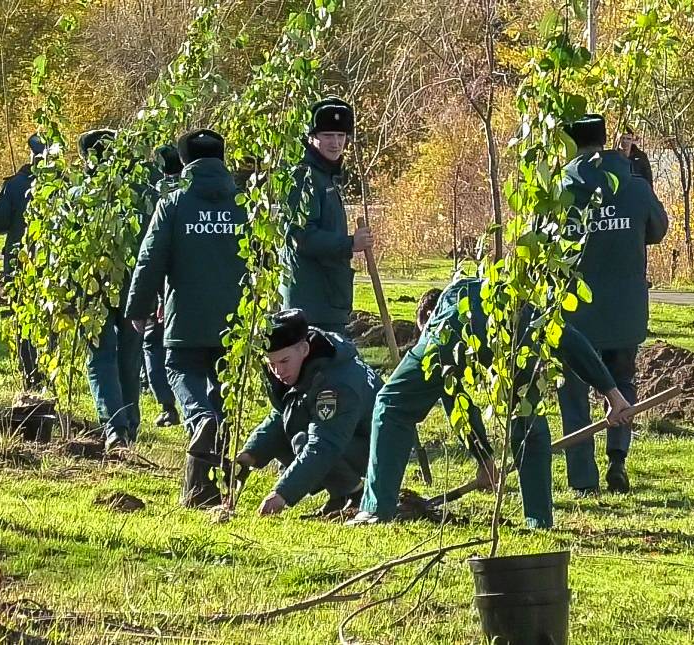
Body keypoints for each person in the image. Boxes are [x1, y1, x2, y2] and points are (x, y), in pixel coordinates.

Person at [350, 278, 635, 529]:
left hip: (458, 335)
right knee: (528, 424)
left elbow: (455, 398)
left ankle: (376, 509)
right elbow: (569, 338)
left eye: (421, 329)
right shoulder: (508, 295)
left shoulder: (447, 307)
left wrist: (483, 456)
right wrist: (613, 394)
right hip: (517, 332)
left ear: (427, 315)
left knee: (391, 404)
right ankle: (539, 521)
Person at [125, 128, 249, 507]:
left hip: (186, 320)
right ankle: (207, 488)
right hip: (236, 322)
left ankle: (197, 419)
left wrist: (139, 307)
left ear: (185, 163)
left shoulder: (174, 204)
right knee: (225, 394)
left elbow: (150, 259)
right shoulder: (245, 205)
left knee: (180, 371)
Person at [558, 114, 669, 496]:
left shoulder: (561, 189)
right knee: (622, 382)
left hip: (576, 314)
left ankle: (583, 479)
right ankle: (618, 459)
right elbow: (657, 230)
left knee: (573, 394)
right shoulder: (633, 184)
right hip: (625, 311)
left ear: (570, 143)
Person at [234, 309, 383, 516]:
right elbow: (283, 414)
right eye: (272, 364)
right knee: (293, 429)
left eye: (284, 362)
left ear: (304, 349)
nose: (278, 372)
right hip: (348, 436)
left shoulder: (335, 384)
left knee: (303, 440)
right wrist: (249, 455)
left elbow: (324, 445)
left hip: (379, 450)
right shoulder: (309, 359)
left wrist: (282, 494)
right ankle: (339, 497)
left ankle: (354, 494)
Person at [280, 97, 373, 334]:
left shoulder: (327, 177)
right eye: (328, 136)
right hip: (311, 302)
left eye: (340, 136)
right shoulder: (305, 178)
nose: (335, 143)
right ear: (312, 138)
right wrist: (350, 243)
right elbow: (301, 237)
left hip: (330, 299)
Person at [77, 129, 145, 451]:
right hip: (133, 285)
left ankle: (115, 426)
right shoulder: (138, 194)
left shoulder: (78, 196)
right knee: (129, 356)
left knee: (100, 355)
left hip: (92, 287)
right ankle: (129, 423)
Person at [0, 134, 44, 390]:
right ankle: (48, 370)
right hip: (51, 266)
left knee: (23, 317)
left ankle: (31, 371)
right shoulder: (64, 185)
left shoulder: (16, 184)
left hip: (20, 263)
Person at [141, 144, 184, 428]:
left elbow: (149, 248)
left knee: (153, 343)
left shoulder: (153, 197)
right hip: (191, 281)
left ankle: (167, 405)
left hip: (164, 282)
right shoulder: (195, 193)